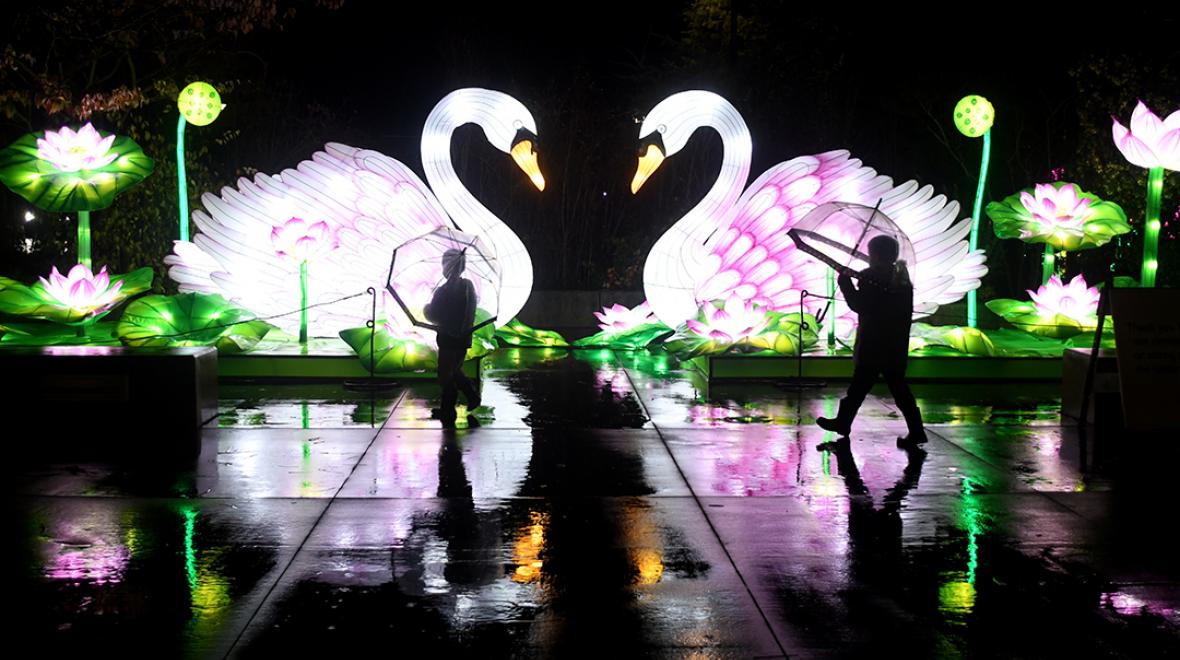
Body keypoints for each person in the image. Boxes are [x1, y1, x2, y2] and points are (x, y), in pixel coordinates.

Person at [817, 234, 926, 444]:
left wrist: (845, 282)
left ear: (875, 254)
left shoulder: (872, 277)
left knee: (859, 386)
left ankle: (843, 422)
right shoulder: (901, 279)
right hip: (894, 345)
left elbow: (860, 305)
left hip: (874, 344)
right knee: (898, 389)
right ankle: (916, 430)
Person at [425, 248, 480, 424]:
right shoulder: (468, 287)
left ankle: (449, 410)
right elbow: (470, 311)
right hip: (464, 336)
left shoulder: (443, 291)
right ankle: (471, 396)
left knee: (445, 374)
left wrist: (426, 309)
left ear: (446, 267)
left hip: (448, 337)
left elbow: (434, 315)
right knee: (455, 369)